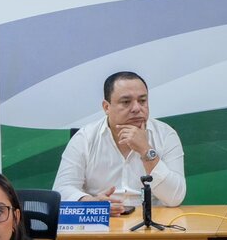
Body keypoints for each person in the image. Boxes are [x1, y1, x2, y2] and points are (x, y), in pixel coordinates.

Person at [53, 71, 186, 210]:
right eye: (126, 102)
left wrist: (146, 151)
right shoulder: (85, 138)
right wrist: (92, 203)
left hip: (152, 225)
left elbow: (174, 198)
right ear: (106, 107)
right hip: (102, 224)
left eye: (142, 101)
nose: (136, 108)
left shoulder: (166, 135)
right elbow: (62, 189)